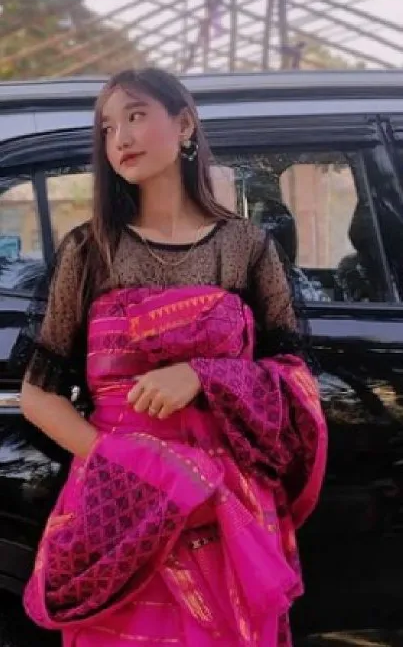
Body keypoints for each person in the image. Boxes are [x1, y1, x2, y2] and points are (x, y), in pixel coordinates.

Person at [15, 68, 327, 647]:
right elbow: (39, 393)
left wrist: (203, 376)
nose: (121, 140)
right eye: (108, 127)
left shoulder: (245, 247)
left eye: (135, 116)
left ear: (184, 125)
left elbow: (294, 381)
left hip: (222, 507)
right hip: (120, 505)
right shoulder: (90, 249)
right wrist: (128, 463)